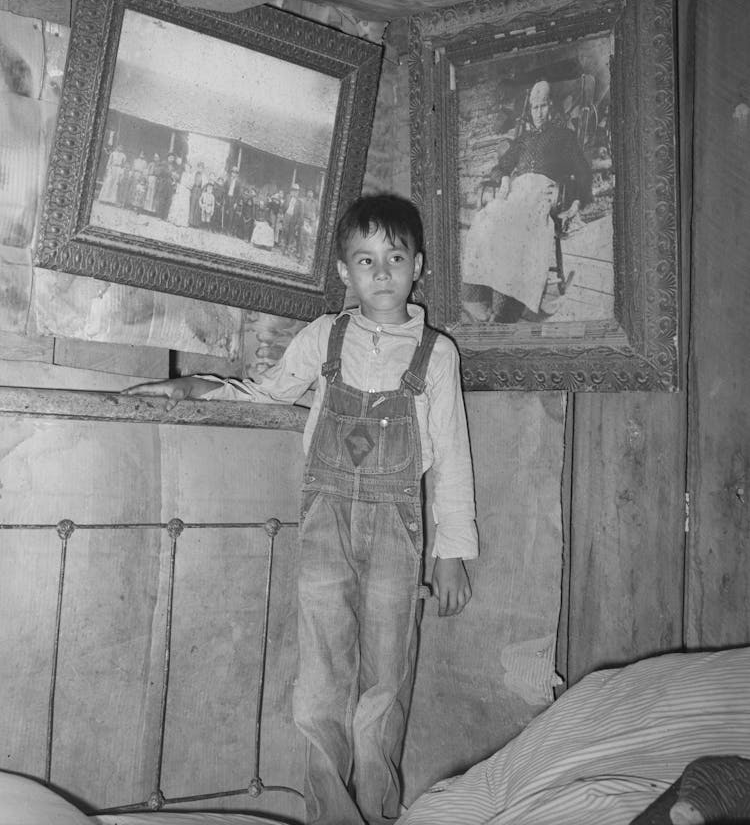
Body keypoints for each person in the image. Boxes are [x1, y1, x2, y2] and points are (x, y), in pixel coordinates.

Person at [125, 193, 478, 825]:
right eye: (365, 259)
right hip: (324, 525)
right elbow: (267, 395)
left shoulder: (437, 353)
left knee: (385, 679)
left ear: (417, 265)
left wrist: (452, 552)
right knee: (319, 681)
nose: (381, 272)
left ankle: (377, 810)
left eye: (394, 258)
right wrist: (195, 386)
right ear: (345, 271)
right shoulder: (325, 337)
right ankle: (331, 815)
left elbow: (451, 459)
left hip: (399, 531)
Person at [462, 79, 592, 322]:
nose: (538, 113)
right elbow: (500, 167)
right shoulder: (524, 139)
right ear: (529, 109)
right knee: (485, 220)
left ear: (551, 107)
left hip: (542, 193)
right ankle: (481, 295)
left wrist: (575, 203)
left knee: (517, 228)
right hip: (517, 192)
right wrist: (503, 181)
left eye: (543, 106)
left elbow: (582, 173)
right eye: (534, 107)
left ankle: (507, 308)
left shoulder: (565, 136)